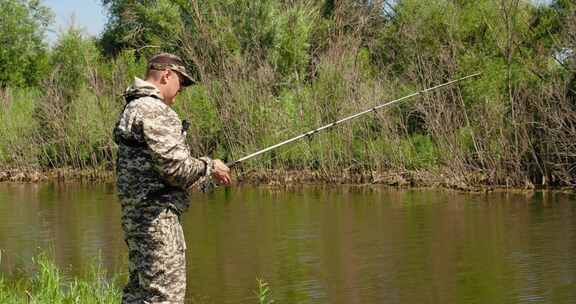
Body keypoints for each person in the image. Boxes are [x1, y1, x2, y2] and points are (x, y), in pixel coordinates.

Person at [113, 53, 231, 304]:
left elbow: (155, 168)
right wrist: (210, 165)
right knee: (164, 297)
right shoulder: (154, 110)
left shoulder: (133, 107)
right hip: (158, 221)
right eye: (181, 81)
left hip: (137, 219)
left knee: (138, 294)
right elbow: (176, 169)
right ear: (166, 75)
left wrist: (200, 174)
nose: (181, 90)